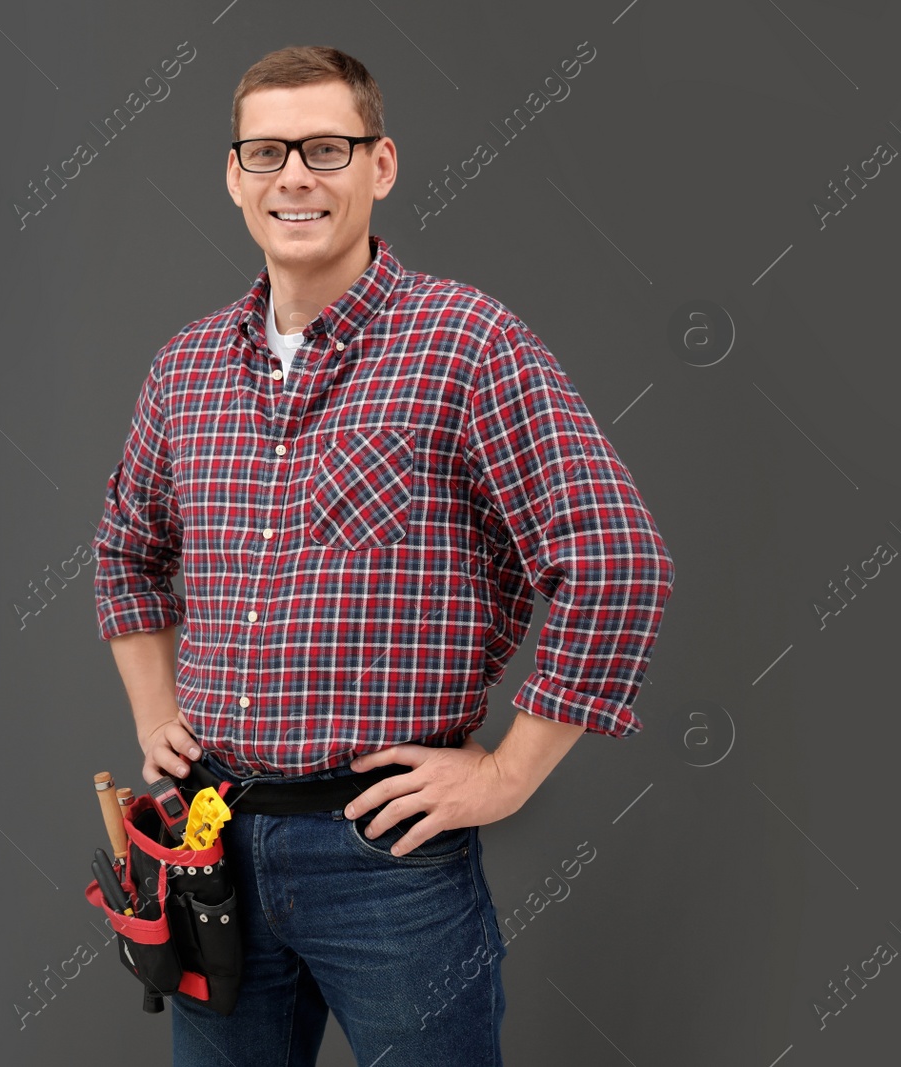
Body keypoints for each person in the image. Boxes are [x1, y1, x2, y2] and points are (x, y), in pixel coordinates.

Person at [90, 45, 675, 1066]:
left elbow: (617, 560)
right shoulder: (185, 367)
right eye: (266, 152)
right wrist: (154, 715)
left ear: (381, 164)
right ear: (234, 175)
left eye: (326, 147)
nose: (295, 177)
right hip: (207, 841)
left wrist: (505, 773)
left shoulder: (466, 343)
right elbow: (124, 554)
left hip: (388, 858)